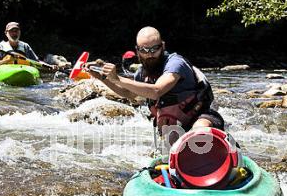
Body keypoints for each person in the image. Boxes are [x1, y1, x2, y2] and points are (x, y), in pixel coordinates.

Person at [88, 26, 224, 142]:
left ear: (162, 46)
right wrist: (102, 78)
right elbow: (129, 94)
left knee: (199, 131)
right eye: (144, 50)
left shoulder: (176, 63)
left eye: (154, 49)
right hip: (174, 129)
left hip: (200, 118)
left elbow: (157, 91)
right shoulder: (141, 74)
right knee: (171, 143)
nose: (150, 54)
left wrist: (117, 78)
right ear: (137, 50)